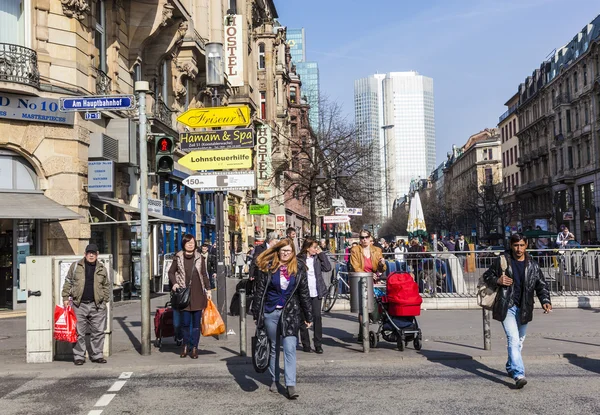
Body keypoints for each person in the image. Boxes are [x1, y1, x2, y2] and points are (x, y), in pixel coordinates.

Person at [483, 233, 552, 388]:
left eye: (521, 245)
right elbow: (487, 275)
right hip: (507, 305)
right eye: (516, 245)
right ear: (511, 245)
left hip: (525, 307)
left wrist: (545, 301)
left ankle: (510, 366)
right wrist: (498, 280)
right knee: (513, 339)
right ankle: (518, 374)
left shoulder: (532, 265)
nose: (519, 249)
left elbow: (541, 285)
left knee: (519, 341)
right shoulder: (502, 261)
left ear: (526, 245)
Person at [252, 239, 313, 400]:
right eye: (283, 250)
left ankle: (290, 385)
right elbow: (260, 292)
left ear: (293, 252)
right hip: (271, 311)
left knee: (290, 347)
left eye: (289, 251)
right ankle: (274, 379)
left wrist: (308, 316)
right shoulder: (268, 267)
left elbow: (304, 293)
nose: (286, 253)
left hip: (291, 312)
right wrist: (257, 313)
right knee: (273, 347)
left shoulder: (299, 268)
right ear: (278, 251)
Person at [61, 244, 110, 365]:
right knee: (78, 332)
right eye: (89, 253)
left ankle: (97, 355)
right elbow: (68, 282)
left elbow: (106, 286)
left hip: (97, 305)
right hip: (79, 305)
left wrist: (104, 301)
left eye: (93, 253)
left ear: (97, 255)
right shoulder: (75, 266)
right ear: (85, 254)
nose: (91, 255)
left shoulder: (102, 268)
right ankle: (79, 356)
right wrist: (65, 297)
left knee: (98, 332)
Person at [168, 234, 212, 359]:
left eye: (192, 242)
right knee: (185, 323)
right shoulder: (178, 257)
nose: (190, 244)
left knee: (196, 324)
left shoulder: (199, 257)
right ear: (184, 244)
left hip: (198, 294)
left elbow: (204, 274)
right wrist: (175, 284)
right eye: (188, 242)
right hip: (184, 295)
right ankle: (185, 345)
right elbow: (171, 272)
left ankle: (194, 348)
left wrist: (208, 289)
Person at [297, 237, 332, 354]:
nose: (316, 249)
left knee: (317, 317)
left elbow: (327, 268)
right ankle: (306, 343)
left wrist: (322, 254)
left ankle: (318, 344)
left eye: (317, 247)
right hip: (304, 292)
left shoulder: (317, 258)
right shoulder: (299, 259)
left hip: (316, 291)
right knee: (303, 317)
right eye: (314, 247)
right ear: (307, 248)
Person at [350, 229, 386, 341]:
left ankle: (364, 332)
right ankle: (364, 333)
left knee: (374, 307)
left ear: (370, 238)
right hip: (360, 280)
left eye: (366, 237)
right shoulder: (355, 250)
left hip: (373, 281)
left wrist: (382, 264)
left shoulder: (377, 250)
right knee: (362, 308)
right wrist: (368, 275)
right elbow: (355, 266)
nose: (364, 239)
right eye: (362, 237)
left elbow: (382, 269)